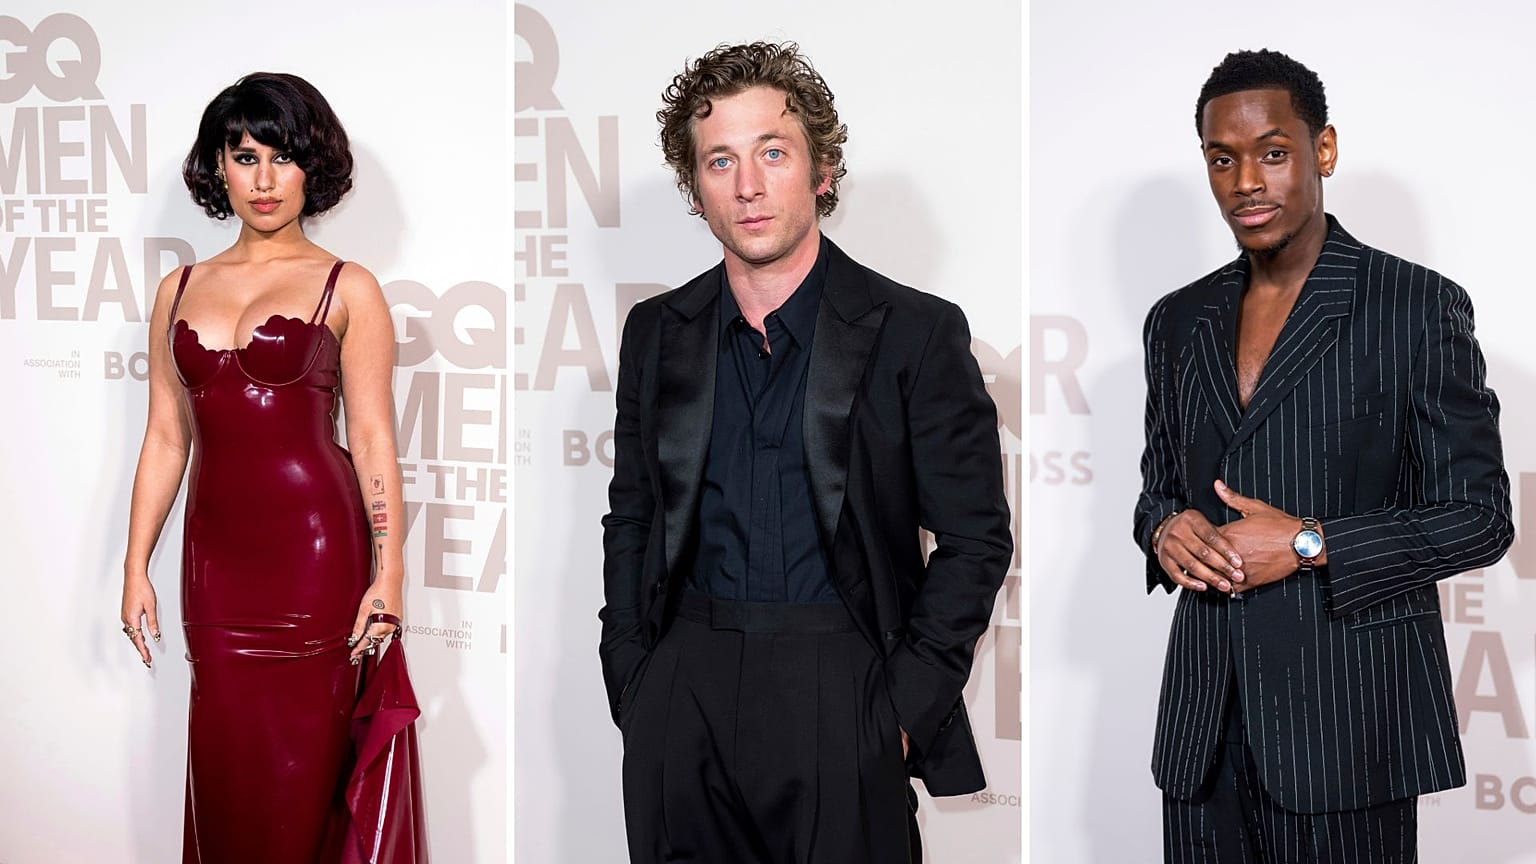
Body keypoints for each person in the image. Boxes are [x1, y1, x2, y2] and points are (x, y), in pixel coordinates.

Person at [598, 41, 1013, 864]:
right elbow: (633, 516)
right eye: (721, 161)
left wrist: (898, 714)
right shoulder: (657, 332)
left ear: (821, 170)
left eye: (773, 153)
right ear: (697, 190)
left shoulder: (916, 332)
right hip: (683, 690)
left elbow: (975, 540)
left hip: (843, 685)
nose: (748, 186)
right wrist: (635, 677)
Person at [1134, 49, 1513, 863]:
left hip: (1349, 729)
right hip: (1204, 731)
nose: (1246, 182)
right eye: (1222, 159)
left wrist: (1311, 543)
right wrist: (1165, 529)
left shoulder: (1415, 304)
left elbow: (1481, 518)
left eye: (1272, 152)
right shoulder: (1177, 319)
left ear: (1324, 150)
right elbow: (1157, 487)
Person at [118, 72, 424, 863]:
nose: (263, 180)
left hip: (318, 560)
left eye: (281, 158)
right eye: (245, 156)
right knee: (227, 773)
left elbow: (373, 437)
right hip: (215, 570)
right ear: (218, 167)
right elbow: (166, 438)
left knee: (305, 781)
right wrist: (134, 564)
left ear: (310, 167)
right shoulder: (178, 289)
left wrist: (389, 571)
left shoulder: (349, 287)